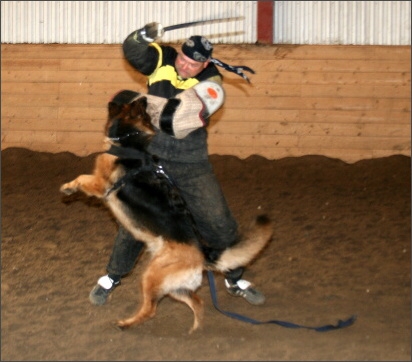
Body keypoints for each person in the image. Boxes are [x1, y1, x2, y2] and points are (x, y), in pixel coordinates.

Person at [89, 22, 264, 306]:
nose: (183, 65)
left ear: (204, 64)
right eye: (182, 57)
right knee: (136, 219)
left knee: (218, 221)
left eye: (192, 63)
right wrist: (141, 37)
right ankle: (112, 277)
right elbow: (133, 51)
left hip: (189, 159)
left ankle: (235, 278)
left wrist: (136, 104)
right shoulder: (163, 58)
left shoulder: (212, 85)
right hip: (151, 154)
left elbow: (175, 123)